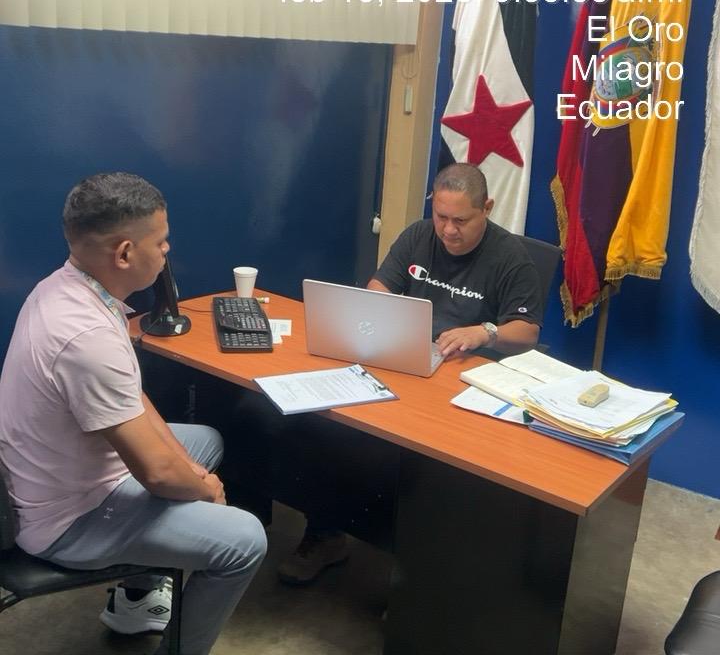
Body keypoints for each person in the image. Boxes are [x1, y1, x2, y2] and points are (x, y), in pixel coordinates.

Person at [0, 172, 267, 655]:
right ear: (124, 254)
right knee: (244, 540)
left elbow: (133, 399)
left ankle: (136, 601)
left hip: (62, 478)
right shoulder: (85, 337)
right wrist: (204, 487)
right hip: (67, 521)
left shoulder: (69, 289)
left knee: (203, 441)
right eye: (161, 242)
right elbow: (157, 474)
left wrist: (188, 468)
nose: (167, 251)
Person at [277, 162, 543, 584]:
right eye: (441, 216)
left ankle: (421, 575)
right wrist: (374, 313)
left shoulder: (510, 257)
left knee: (428, 468)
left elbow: (527, 331)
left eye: (461, 220)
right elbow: (379, 288)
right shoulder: (419, 235)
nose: (448, 230)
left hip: (462, 382)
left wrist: (485, 332)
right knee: (331, 430)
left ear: (487, 208)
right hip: (408, 363)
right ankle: (326, 534)